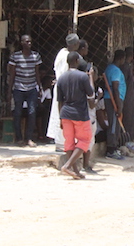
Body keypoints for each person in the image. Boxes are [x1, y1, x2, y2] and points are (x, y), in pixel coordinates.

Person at [57, 51, 94, 179]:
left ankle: (75, 171)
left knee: (69, 142)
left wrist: (60, 118)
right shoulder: (83, 77)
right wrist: (90, 78)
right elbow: (90, 94)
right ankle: (67, 166)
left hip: (65, 113)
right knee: (85, 139)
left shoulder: (61, 78)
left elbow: (59, 101)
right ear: (77, 61)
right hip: (80, 114)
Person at [7, 34, 43, 147]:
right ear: (22, 43)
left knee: (32, 112)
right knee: (17, 112)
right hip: (18, 88)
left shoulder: (35, 56)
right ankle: (19, 138)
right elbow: (12, 74)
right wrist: (9, 90)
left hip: (31, 88)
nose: (29, 43)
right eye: (27, 42)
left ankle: (28, 138)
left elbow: (37, 73)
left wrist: (39, 87)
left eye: (30, 41)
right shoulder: (15, 56)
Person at [48, 33, 80, 151]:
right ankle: (62, 143)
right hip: (65, 87)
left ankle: (61, 142)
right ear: (75, 44)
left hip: (60, 85)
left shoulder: (61, 52)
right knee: (63, 114)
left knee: (60, 113)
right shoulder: (67, 56)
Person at [104, 50, 126, 160]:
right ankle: (111, 150)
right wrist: (119, 105)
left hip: (112, 98)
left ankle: (114, 147)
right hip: (113, 99)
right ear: (121, 58)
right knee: (113, 125)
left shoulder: (109, 68)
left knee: (115, 124)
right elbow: (115, 88)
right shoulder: (115, 71)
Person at [82, 66, 104, 174]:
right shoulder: (89, 88)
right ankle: (85, 165)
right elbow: (92, 105)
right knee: (88, 142)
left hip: (84, 116)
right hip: (89, 117)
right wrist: (99, 97)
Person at [120, 46, 134, 144]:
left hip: (129, 95)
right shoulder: (125, 67)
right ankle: (126, 139)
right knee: (127, 117)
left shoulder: (127, 66)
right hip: (126, 96)